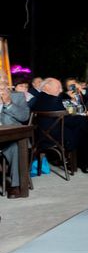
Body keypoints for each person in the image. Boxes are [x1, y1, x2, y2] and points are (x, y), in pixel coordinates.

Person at [0, 70, 30, 199]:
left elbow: (24, 117)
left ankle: (15, 185)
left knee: (16, 146)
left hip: (10, 139)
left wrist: (8, 103)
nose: (1, 85)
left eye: (2, 81)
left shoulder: (18, 96)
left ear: (7, 83)